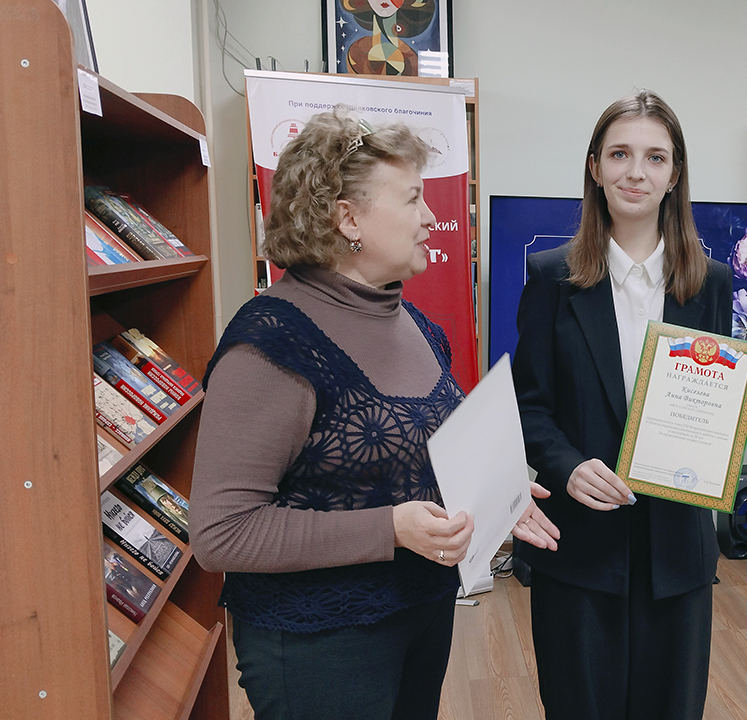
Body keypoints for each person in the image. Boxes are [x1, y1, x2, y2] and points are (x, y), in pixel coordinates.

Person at [188, 108, 558, 720]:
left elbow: (419, 457)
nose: (432, 217)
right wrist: (389, 529)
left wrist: (498, 495)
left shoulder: (418, 325)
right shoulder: (271, 345)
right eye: (413, 198)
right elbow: (221, 533)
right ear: (348, 218)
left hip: (421, 614)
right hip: (319, 643)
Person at [511, 90, 747, 720]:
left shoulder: (711, 282)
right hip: (578, 549)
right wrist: (567, 466)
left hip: (676, 555)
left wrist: (746, 390)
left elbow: (708, 406)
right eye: (620, 154)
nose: (636, 172)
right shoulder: (550, 277)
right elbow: (528, 406)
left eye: (655, 157)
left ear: (675, 173)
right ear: (595, 167)